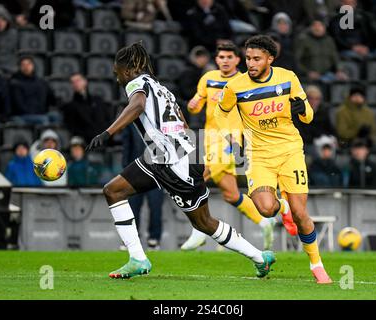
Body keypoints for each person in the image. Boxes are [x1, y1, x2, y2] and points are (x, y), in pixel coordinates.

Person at [85, 42, 275, 279]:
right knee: (113, 191)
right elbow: (183, 121)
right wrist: (196, 156)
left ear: (128, 69)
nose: (117, 79)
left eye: (117, 73)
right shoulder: (161, 87)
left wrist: (108, 133)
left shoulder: (136, 83)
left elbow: (137, 105)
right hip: (170, 154)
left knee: (204, 223)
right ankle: (137, 258)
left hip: (172, 160)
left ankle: (259, 256)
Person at [215, 35, 332, 283]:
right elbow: (221, 114)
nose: (251, 63)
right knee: (266, 209)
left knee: (302, 216)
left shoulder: (287, 77)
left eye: (256, 59)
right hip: (258, 156)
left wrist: (303, 110)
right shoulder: (235, 86)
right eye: (247, 58)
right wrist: (231, 139)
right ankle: (284, 207)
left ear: (270, 58)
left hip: (290, 150)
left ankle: (316, 264)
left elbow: (308, 115)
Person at [181, 41, 276, 252]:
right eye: (221, 57)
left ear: (237, 60)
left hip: (230, 140)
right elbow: (194, 106)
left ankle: (199, 229)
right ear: (216, 60)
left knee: (195, 177)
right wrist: (192, 105)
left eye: (229, 57)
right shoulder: (208, 78)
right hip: (207, 138)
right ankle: (264, 222)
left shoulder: (244, 82)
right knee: (230, 194)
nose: (225, 61)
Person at [122, 124, 164, 250]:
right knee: (133, 208)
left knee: (155, 207)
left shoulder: (158, 121)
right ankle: (132, 240)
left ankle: (154, 239)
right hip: (136, 172)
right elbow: (126, 147)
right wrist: (126, 172)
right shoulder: (131, 122)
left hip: (156, 172)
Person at [62, 73, 116, 143]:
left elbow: (108, 119)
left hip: (105, 140)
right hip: (87, 143)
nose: (75, 84)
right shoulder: (70, 106)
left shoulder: (98, 100)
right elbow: (72, 128)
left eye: (78, 80)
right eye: (73, 82)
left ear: (85, 81)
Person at [9, 56, 57, 125]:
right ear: (20, 67)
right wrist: (38, 112)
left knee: (56, 116)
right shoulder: (15, 83)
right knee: (43, 119)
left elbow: (51, 99)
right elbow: (19, 106)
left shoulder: (42, 82)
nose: (26, 67)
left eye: (28, 64)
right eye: (23, 65)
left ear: (33, 66)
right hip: (23, 115)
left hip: (40, 113)